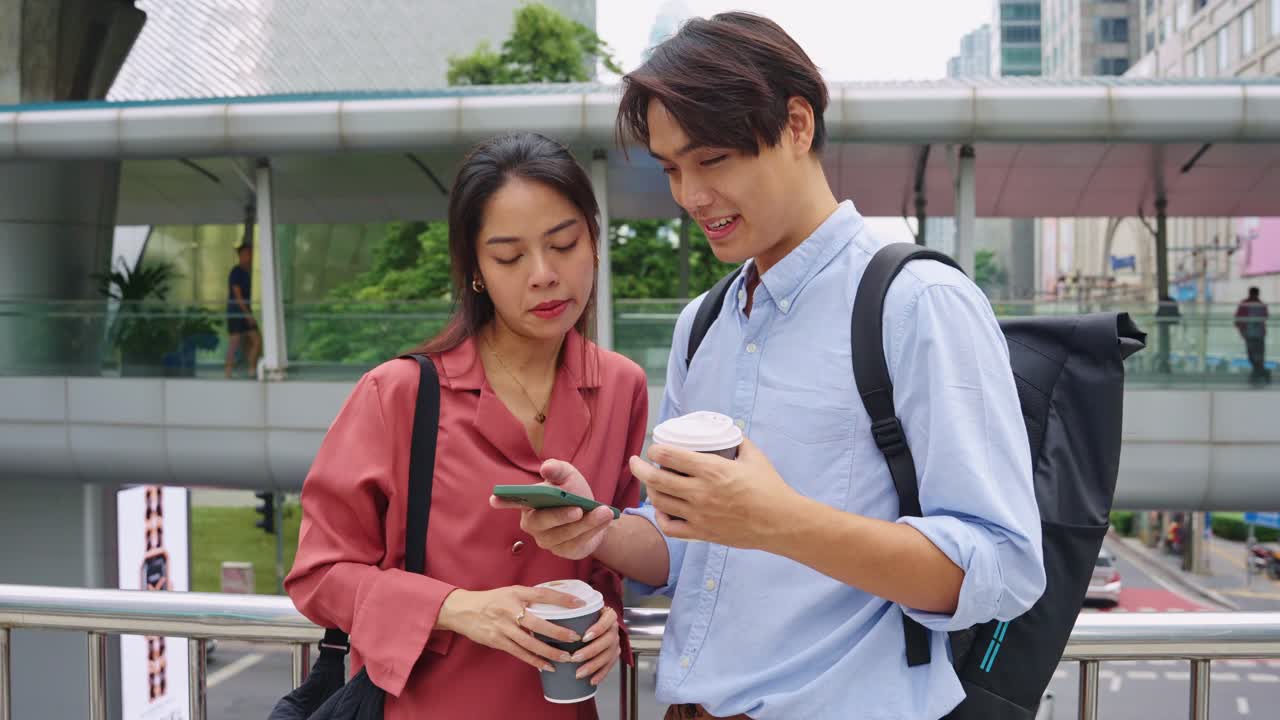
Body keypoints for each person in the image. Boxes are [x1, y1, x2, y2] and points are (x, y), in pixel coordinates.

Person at [504, 13, 1045, 720]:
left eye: (713, 159)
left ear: (796, 125)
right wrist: (600, 528)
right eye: (671, 168)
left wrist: (777, 520)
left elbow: (1002, 568)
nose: (690, 196)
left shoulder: (919, 303)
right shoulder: (703, 324)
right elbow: (681, 538)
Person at [285, 133, 649, 719]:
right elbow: (317, 575)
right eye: (509, 257)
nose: (544, 274)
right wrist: (452, 606)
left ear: (596, 241)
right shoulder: (399, 393)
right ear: (476, 269)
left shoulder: (621, 387)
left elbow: (605, 555)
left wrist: (607, 619)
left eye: (564, 244)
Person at [224, 242, 261, 378]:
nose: (248, 257)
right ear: (240, 256)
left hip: (246, 312)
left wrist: (248, 314)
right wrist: (247, 314)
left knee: (256, 340)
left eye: (250, 254)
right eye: (245, 254)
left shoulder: (246, 273)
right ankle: (228, 371)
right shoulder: (236, 272)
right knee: (234, 341)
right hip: (235, 312)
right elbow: (237, 295)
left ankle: (252, 369)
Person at [1235, 286, 1270, 385]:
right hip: (1249, 334)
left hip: (1259, 334)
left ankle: (1258, 374)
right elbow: (1238, 318)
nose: (1254, 296)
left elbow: (1265, 316)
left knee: (1259, 355)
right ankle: (1261, 373)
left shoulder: (1261, 304)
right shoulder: (1244, 304)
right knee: (1251, 355)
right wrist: (1241, 331)